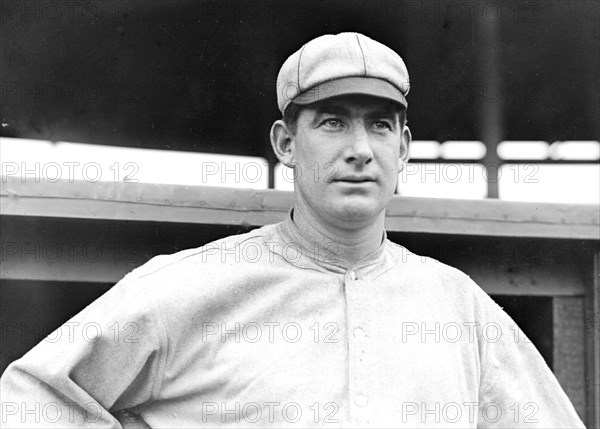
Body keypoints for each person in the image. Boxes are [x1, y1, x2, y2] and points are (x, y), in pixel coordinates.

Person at [0, 32, 585, 428]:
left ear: (403, 149)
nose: (359, 150)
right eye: (333, 122)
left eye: (379, 125)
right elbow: (29, 399)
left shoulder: (457, 307)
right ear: (286, 144)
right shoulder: (193, 285)